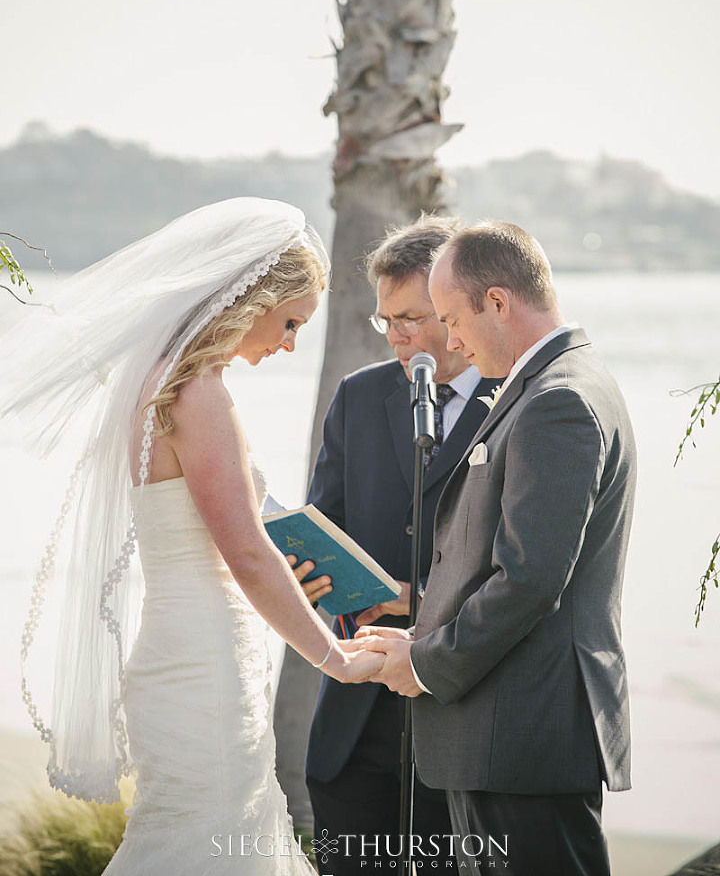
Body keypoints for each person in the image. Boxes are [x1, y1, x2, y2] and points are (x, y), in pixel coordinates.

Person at [2, 198, 383, 875]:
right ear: (250, 295)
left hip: (182, 649)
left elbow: (222, 539)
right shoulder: (198, 393)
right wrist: (335, 658)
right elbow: (243, 553)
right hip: (206, 663)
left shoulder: (159, 386)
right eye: (291, 321)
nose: (290, 343)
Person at [357, 221, 636, 876]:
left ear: (500, 302)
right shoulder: (552, 383)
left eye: (453, 318)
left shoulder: (557, 401)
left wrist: (425, 663)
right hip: (503, 735)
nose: (448, 340)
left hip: (520, 738)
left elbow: (530, 581)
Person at [295, 216, 504, 875]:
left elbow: (528, 568)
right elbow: (326, 524)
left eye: (413, 317)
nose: (398, 336)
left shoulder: (520, 403)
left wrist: (423, 605)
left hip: (466, 719)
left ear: (456, 304)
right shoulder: (358, 396)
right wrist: (312, 574)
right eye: (386, 320)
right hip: (355, 724)